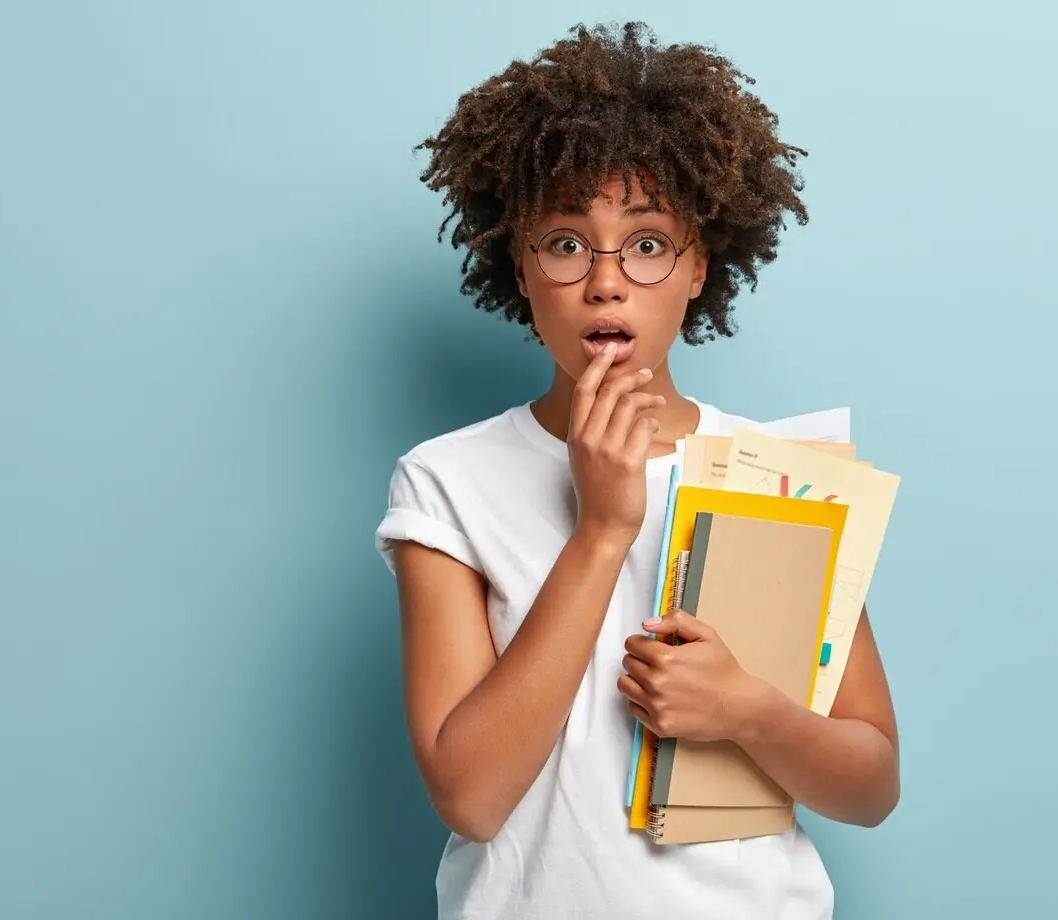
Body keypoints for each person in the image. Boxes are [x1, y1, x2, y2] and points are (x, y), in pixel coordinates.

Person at [375, 21, 899, 919]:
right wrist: (605, 525)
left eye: (648, 243)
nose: (606, 282)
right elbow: (470, 794)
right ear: (520, 266)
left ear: (699, 266)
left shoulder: (778, 476)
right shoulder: (446, 482)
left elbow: (872, 786)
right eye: (567, 243)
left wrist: (751, 714)